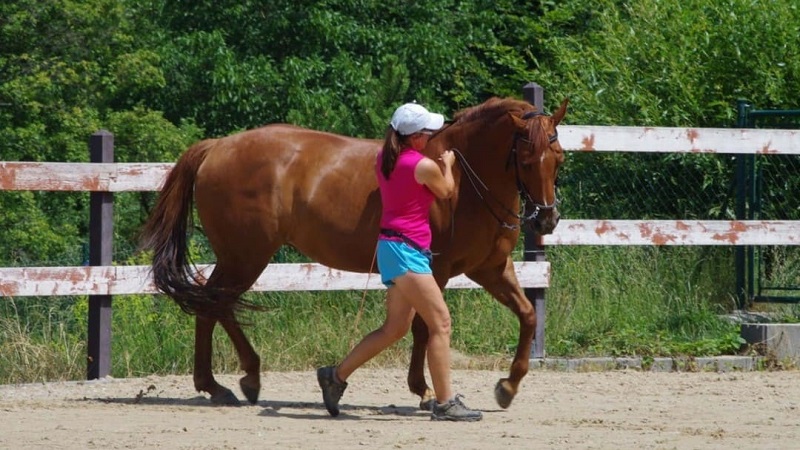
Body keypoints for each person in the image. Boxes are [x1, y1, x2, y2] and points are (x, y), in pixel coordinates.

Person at [316, 102, 483, 422]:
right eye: (427, 132)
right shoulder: (421, 166)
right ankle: (446, 403)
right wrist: (448, 164)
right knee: (441, 323)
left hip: (392, 249)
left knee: (394, 328)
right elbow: (446, 191)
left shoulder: (385, 160)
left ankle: (335, 376)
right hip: (408, 252)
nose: (432, 135)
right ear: (416, 137)